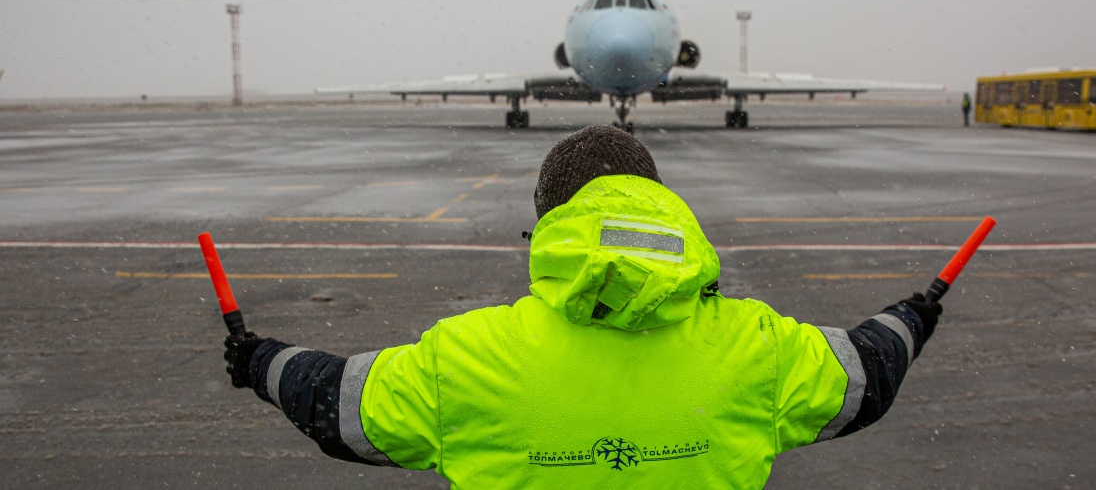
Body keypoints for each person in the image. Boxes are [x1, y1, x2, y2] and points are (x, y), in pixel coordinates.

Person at [223, 125, 942, 488]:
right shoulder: (759, 345)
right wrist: (915, 315)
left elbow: (336, 404)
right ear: (662, 206)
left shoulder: (466, 357)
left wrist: (259, 359)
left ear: (549, 227)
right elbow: (867, 372)